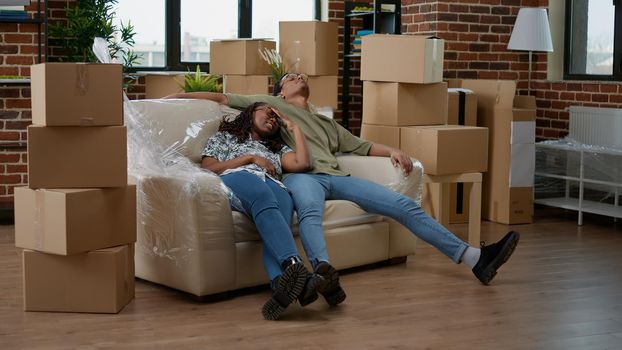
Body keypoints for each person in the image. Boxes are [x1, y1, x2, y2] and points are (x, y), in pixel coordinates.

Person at [167, 72, 520, 306]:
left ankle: (474, 258)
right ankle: (325, 273)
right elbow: (223, 98)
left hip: (338, 178)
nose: (297, 77)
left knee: (402, 205)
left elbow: (361, 147)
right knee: (307, 212)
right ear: (279, 91)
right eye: (290, 77)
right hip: (302, 178)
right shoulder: (270, 105)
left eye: (301, 76)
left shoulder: (326, 123)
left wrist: (393, 150)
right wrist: (176, 96)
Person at [201, 101, 324, 320]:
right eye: (267, 112)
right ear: (249, 113)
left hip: (274, 184)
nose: (272, 118)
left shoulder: (276, 148)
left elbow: (303, 163)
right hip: (238, 176)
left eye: (276, 118)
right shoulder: (224, 137)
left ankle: (281, 285)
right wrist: (250, 158)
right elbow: (209, 168)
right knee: (263, 196)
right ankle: (295, 267)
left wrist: (295, 128)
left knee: (281, 212)